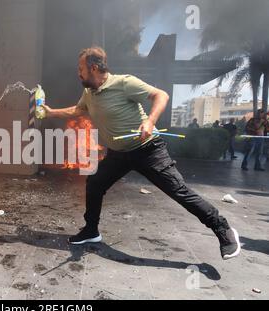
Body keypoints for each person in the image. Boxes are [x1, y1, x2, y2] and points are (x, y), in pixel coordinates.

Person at [43, 47, 241, 260]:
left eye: (80, 68)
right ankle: (91, 230)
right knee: (95, 184)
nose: (78, 72)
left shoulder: (124, 83)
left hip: (148, 150)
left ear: (93, 68)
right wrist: (51, 112)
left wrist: (149, 121)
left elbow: (160, 95)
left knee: (179, 191)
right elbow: (78, 110)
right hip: (118, 153)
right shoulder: (89, 92)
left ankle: (224, 230)